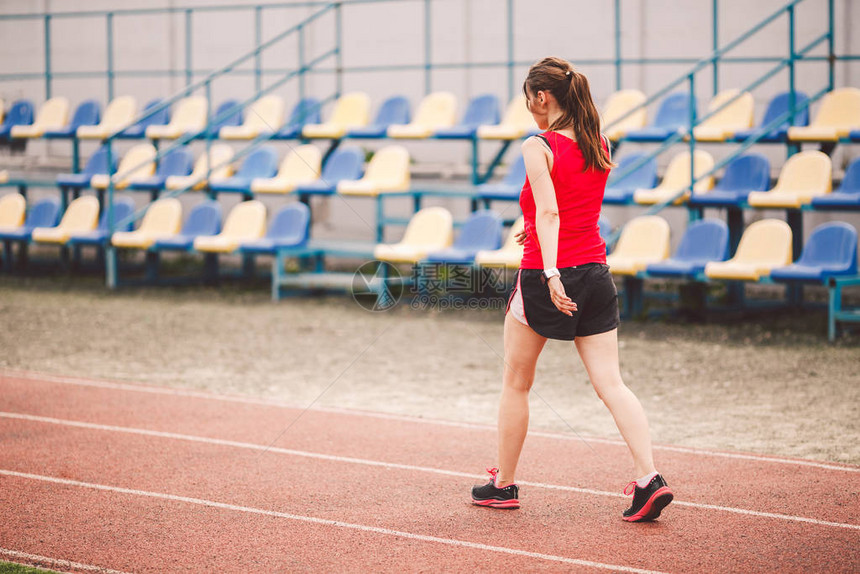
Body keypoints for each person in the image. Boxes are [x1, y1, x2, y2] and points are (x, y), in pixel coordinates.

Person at [470, 57, 673, 522]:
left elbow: (551, 214)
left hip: (549, 274)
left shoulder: (536, 145)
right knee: (612, 384)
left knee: (516, 383)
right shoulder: (598, 142)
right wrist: (537, 233)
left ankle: (503, 485)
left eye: (528, 98)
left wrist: (551, 271)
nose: (527, 108)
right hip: (597, 272)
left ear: (542, 97)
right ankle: (649, 479)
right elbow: (571, 207)